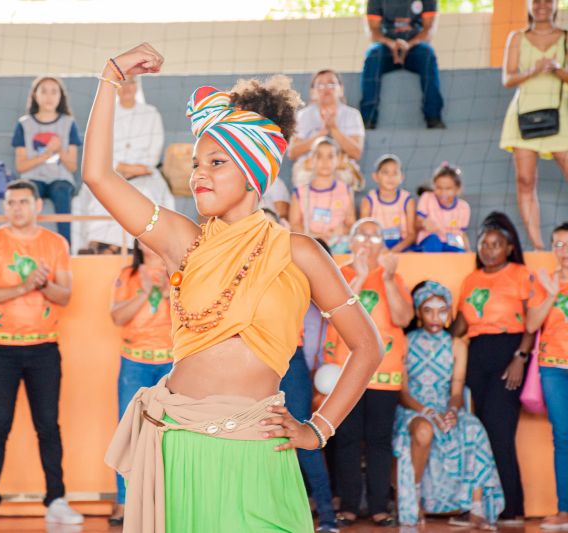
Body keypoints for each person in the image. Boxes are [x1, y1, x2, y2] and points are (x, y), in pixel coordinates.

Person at [83, 44, 383, 533]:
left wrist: (318, 429)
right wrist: (111, 77)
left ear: (252, 172)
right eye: (196, 163)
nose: (199, 173)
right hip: (180, 446)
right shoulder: (183, 241)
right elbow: (98, 175)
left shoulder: (300, 252)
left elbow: (367, 346)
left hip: (257, 450)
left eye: (216, 162)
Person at [0, 179, 82, 527]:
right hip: (0, 349)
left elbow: (65, 296)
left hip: (44, 348)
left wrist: (43, 283)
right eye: (11, 202)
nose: (16, 208)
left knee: (47, 425)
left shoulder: (55, 243)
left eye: (23, 202)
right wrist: (24, 285)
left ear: (37, 206)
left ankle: (56, 499)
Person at [323, 217, 414, 527]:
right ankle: (349, 505)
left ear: (384, 246)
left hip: (384, 372)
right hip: (347, 369)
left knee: (379, 440)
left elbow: (403, 318)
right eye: (361, 236)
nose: (367, 242)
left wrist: (386, 279)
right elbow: (335, 315)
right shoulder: (340, 274)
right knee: (346, 438)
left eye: (375, 238)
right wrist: (360, 277)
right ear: (351, 241)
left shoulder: (394, 277)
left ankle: (379, 506)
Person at [393, 281, 504, 529]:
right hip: (413, 408)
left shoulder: (456, 345)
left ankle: (476, 509)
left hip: (444, 407)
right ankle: (413, 500)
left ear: (449, 312)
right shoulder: (407, 341)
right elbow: (402, 392)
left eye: (442, 311)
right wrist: (427, 411)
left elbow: (456, 389)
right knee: (424, 430)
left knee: (473, 428)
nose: (435, 317)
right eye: (428, 310)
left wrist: (452, 411)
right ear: (418, 312)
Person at [451, 211, 536, 525]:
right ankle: (483, 505)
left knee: (500, 431)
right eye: (484, 244)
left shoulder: (520, 274)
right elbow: (460, 325)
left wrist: (520, 357)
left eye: (496, 244)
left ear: (509, 248)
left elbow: (532, 323)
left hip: (508, 354)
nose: (488, 250)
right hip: (477, 356)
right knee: (480, 433)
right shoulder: (471, 280)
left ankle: (511, 508)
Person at [108, 240, 174, 526]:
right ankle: (124, 501)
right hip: (134, 362)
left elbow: (195, 317)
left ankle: (168, 500)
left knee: (170, 432)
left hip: (172, 362)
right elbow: (117, 316)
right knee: (129, 430)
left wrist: (169, 294)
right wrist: (145, 292)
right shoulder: (128, 275)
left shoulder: (177, 272)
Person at [73, 76, 174, 255]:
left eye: (132, 83)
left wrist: (134, 169)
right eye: (123, 83)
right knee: (93, 198)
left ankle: (136, 249)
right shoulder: (107, 113)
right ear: (117, 87)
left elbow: (154, 151)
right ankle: (101, 245)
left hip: (145, 174)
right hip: (110, 172)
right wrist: (118, 168)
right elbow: (100, 148)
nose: (127, 87)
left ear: (137, 86)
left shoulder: (151, 113)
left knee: (147, 195)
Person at [280, 238, 339, 533]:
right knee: (260, 437)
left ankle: (327, 516)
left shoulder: (301, 279)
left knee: (303, 434)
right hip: (256, 357)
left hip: (292, 358)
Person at [499, 0, 568, 250]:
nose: (541, 6)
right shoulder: (516, 38)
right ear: (529, 5)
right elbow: (508, 78)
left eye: (547, 1)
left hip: (560, 113)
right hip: (524, 115)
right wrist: (533, 70)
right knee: (525, 179)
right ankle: (538, 246)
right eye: (536, 1)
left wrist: (557, 69)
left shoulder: (565, 38)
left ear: (555, 5)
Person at [526, 222, 568, 530]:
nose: (563, 251)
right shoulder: (543, 282)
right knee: (563, 438)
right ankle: (564, 510)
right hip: (553, 368)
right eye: (558, 244)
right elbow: (531, 325)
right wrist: (552, 294)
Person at [13, 76, 82, 244]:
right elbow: (21, 166)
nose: (49, 96)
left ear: (61, 96)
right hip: (33, 178)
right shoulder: (24, 124)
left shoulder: (68, 123)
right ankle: (26, 245)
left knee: (61, 192)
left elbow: (72, 167)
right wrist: (46, 153)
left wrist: (59, 150)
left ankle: (65, 247)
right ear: (35, 95)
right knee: (27, 195)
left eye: (54, 92)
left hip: (60, 179)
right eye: (43, 91)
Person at [360, 0, 445, 129]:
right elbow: (373, 31)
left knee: (428, 54)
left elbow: (429, 30)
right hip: (386, 47)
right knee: (372, 55)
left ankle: (433, 117)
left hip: (415, 47)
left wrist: (408, 45)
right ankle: (368, 119)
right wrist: (391, 44)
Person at [289, 69, 366, 190]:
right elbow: (292, 153)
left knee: (342, 179)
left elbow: (356, 153)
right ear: (312, 92)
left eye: (331, 84)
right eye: (320, 84)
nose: (325, 88)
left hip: (340, 167)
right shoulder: (303, 115)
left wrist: (334, 129)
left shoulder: (353, 115)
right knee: (304, 178)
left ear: (341, 90)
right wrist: (321, 133)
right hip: (309, 167)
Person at [288, 137, 356, 253]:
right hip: (309, 243)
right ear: (311, 159)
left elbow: (351, 224)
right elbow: (294, 224)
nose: (325, 162)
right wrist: (315, 236)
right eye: (319, 156)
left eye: (330, 156)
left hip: (337, 244)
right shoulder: (300, 192)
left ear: (338, 159)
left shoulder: (345, 190)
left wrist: (338, 232)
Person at [360, 154, 417, 252]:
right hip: (376, 245)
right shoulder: (368, 201)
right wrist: (380, 248)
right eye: (385, 172)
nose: (390, 177)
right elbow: (364, 231)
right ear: (375, 176)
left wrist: (393, 251)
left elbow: (412, 234)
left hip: (401, 246)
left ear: (401, 177)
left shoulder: (407, 200)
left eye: (395, 173)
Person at [414, 162, 471, 252]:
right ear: (434, 186)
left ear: (457, 189)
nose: (443, 193)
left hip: (451, 244)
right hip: (430, 243)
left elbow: (462, 234)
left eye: (448, 188)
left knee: (459, 251)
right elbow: (417, 223)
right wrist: (423, 223)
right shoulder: (427, 198)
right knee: (433, 241)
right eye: (439, 188)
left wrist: (468, 252)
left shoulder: (464, 207)